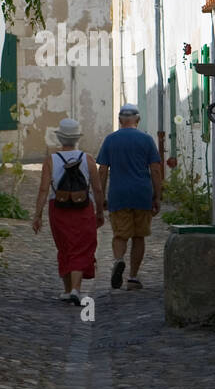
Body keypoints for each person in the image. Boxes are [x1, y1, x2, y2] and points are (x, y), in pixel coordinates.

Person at [32, 118, 104, 305]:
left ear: (60, 138)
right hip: (83, 207)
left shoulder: (50, 160)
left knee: (65, 246)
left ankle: (68, 289)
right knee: (82, 246)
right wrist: (100, 212)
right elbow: (97, 189)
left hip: (59, 208)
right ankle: (74, 289)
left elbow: (43, 189)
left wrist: (37, 214)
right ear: (76, 138)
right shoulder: (88, 159)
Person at [97, 104, 162, 290]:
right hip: (142, 194)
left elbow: (102, 171)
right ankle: (133, 277)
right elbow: (155, 170)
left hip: (119, 194)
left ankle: (118, 260)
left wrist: (100, 197)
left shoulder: (110, 140)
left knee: (120, 235)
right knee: (139, 236)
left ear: (120, 120)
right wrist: (157, 196)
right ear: (138, 120)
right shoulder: (146, 140)